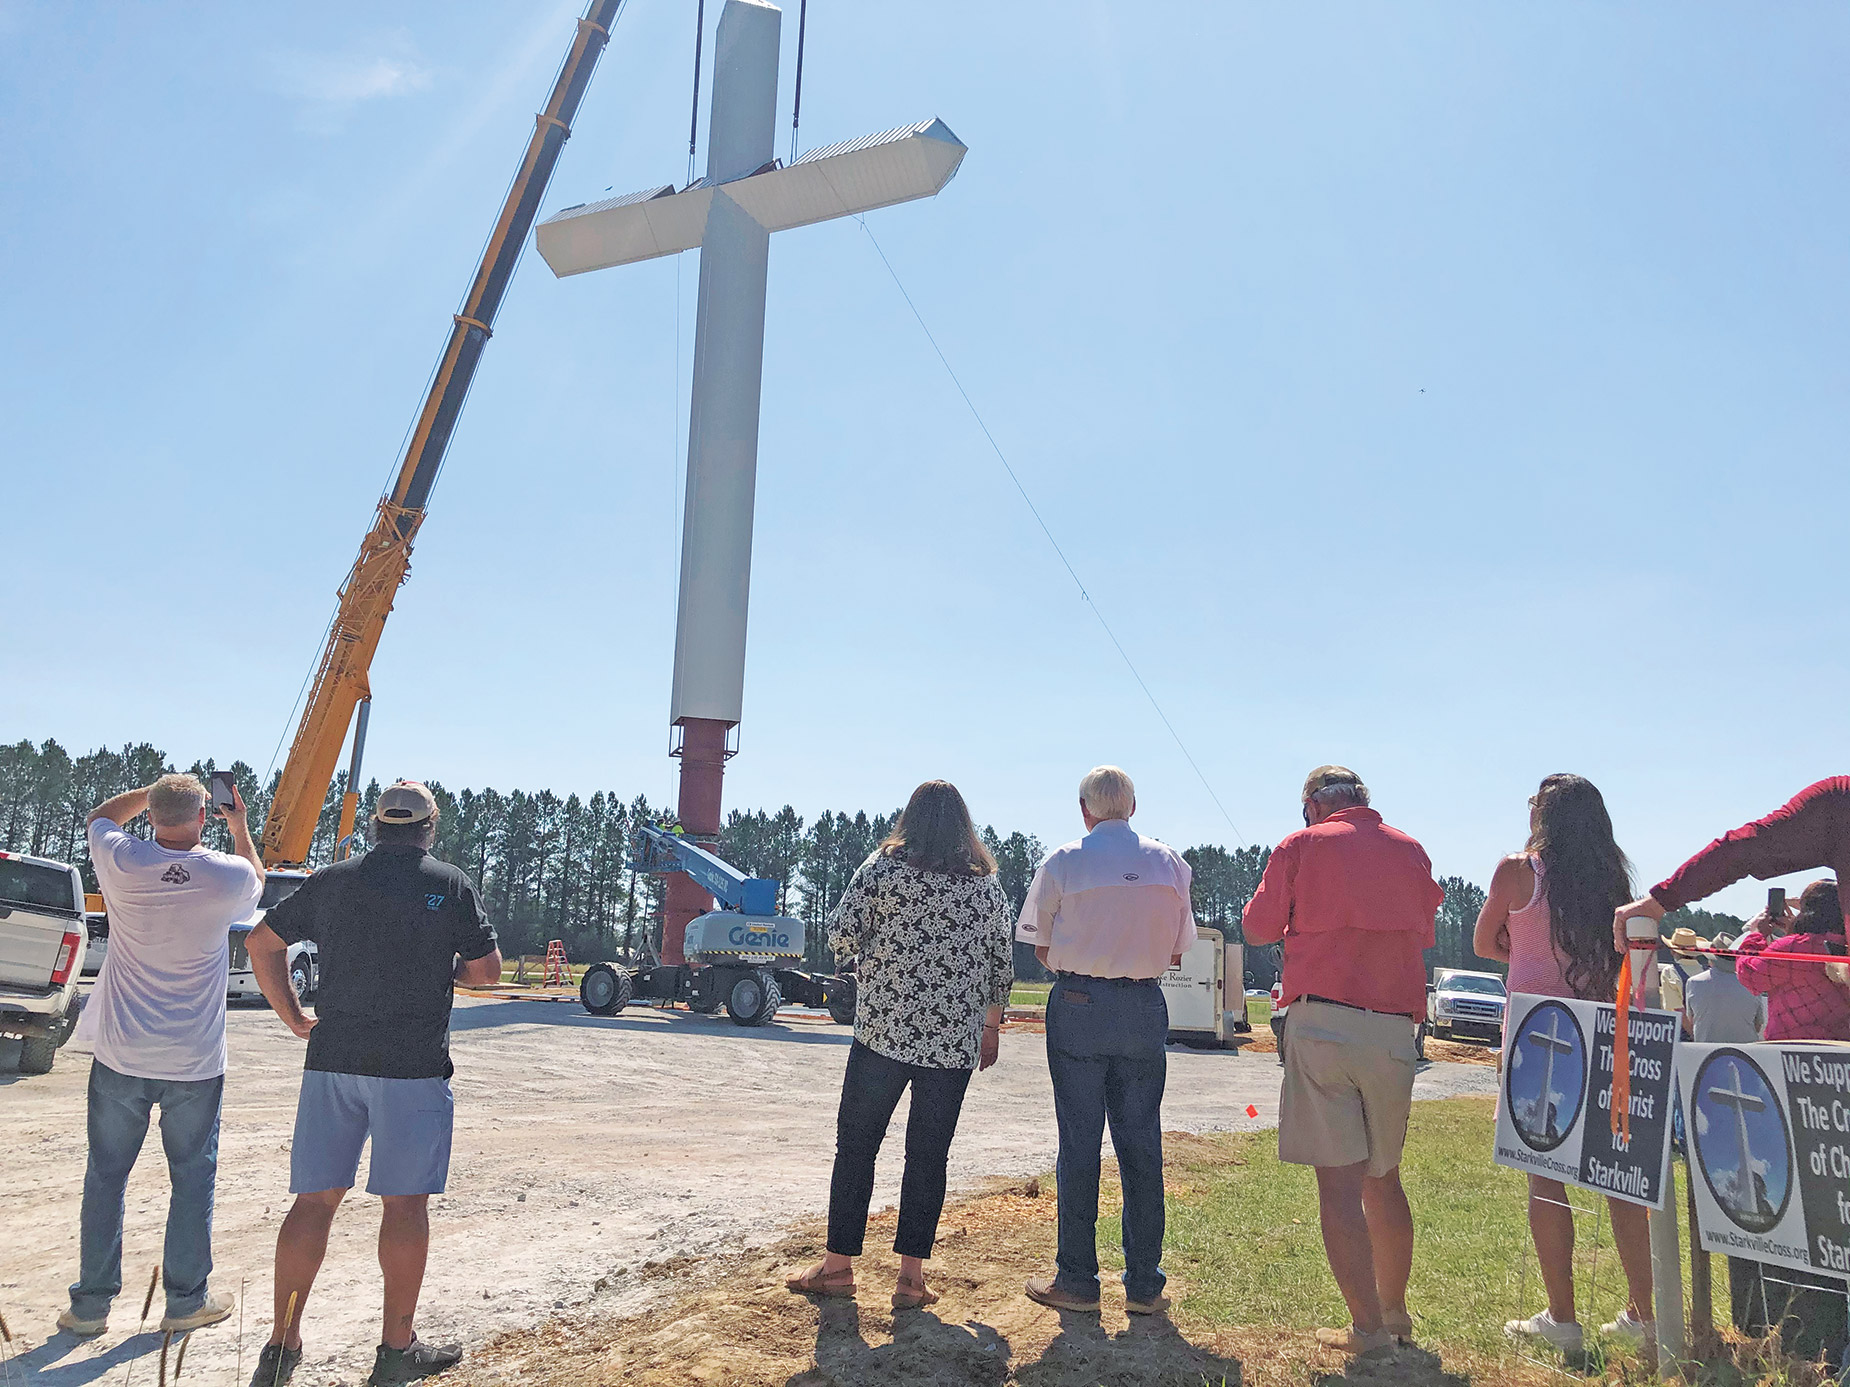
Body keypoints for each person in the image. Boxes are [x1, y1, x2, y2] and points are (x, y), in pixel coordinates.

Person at [245, 782, 502, 1387]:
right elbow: (487, 973)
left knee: (314, 1202)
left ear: (374, 825)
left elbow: (261, 942)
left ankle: (280, 1348)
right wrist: (447, 965)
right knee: (405, 1205)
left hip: (334, 1058)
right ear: (428, 827)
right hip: (412, 1066)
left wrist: (294, 1018)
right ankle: (395, 1350)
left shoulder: (333, 880)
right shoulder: (449, 883)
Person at [784, 780, 1014, 1309]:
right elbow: (1001, 964)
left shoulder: (883, 868)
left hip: (882, 1035)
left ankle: (838, 1266)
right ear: (964, 825)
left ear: (909, 818)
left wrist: (870, 961)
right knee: (928, 1156)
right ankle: (911, 1279)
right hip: (952, 1044)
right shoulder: (985, 886)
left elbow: (841, 934)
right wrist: (990, 1027)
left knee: (857, 1147)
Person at [1242, 766, 1441, 1356]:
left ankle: (1367, 1331)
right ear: (1362, 800)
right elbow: (1423, 929)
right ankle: (1395, 1311)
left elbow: (1256, 929)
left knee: (1338, 1184)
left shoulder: (1301, 845)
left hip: (1322, 1022)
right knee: (1384, 1178)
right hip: (1392, 1028)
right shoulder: (1411, 851)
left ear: (1312, 805)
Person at [58, 776, 264, 1341]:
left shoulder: (122, 862)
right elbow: (258, 880)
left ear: (150, 817)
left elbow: (99, 812)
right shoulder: (227, 874)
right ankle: (185, 1300)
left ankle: (90, 1307)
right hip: (195, 1060)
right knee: (193, 1178)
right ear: (204, 816)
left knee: (105, 1176)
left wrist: (151, 790)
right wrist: (240, 823)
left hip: (122, 1053)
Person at [1472, 773, 1654, 1356]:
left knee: (1545, 1178)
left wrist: (1522, 950)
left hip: (1535, 1032)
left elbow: (1483, 942)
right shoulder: (1612, 881)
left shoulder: (1517, 870)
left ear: (1542, 816)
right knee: (1619, 1181)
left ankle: (1562, 1316)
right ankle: (1644, 1314)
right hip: (1602, 1034)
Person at [1014, 766, 1195, 1318]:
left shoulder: (1063, 862)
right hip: (1143, 1006)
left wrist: (1081, 964)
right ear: (1133, 808)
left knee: (1079, 1142)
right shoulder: (1170, 865)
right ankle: (1144, 1284)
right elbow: (1177, 952)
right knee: (1141, 1144)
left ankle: (1077, 1278)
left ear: (1084, 809)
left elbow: (1039, 946)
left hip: (1079, 1006)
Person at [1612, 777, 1850, 947]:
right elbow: (1741, 851)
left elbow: (1741, 850)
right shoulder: (1840, 802)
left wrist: (1659, 903)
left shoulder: (1840, 801)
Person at [1737, 880, 1850, 1041]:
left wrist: (1755, 935)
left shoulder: (1791, 947)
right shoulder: (1845, 947)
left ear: (1807, 911)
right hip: (1841, 1051)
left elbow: (1750, 976)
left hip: (1792, 1051)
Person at [1682, 933, 1766, 1044]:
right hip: (1745, 1053)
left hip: (1705, 1052)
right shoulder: (1751, 984)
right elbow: (1758, 1025)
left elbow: (1692, 1021)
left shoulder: (1694, 983)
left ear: (1711, 957)